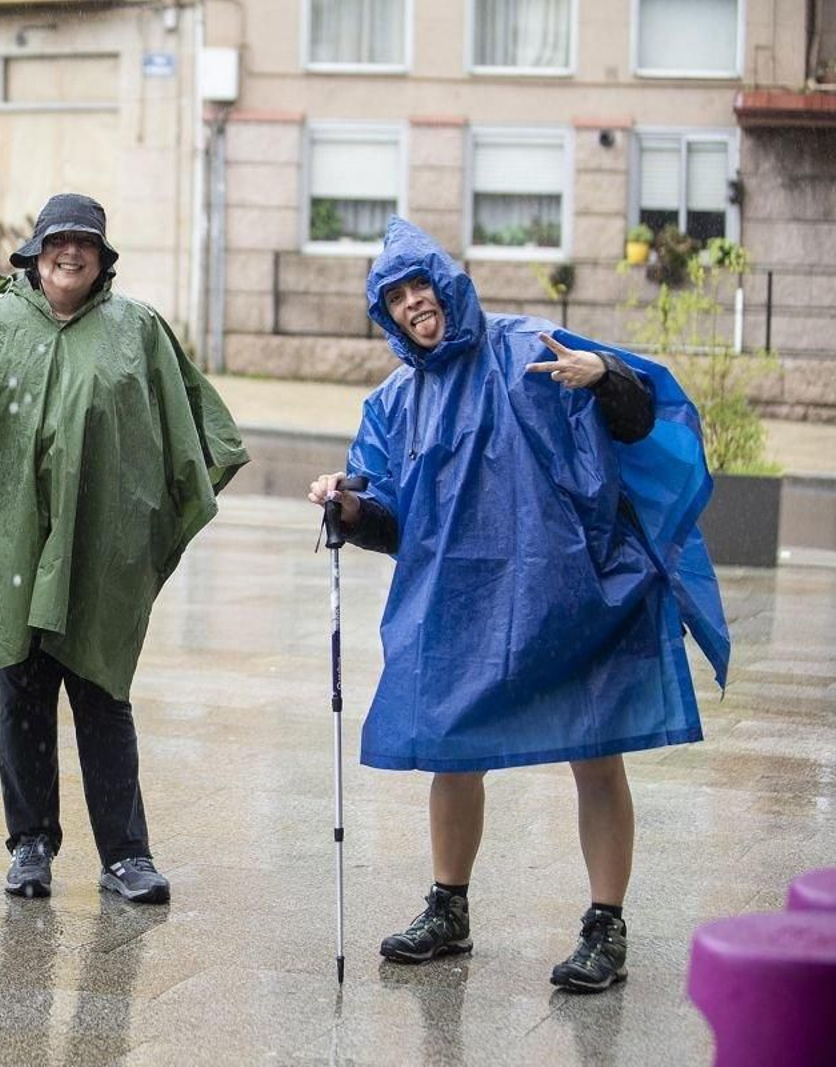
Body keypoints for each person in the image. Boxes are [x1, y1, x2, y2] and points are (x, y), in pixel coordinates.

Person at [309, 217, 729, 992]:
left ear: (447, 283)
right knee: (449, 747)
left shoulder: (532, 349)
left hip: (569, 592)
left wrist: (605, 377)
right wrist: (346, 507)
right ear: (386, 314)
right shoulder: (396, 403)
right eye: (395, 298)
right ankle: (449, 907)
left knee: (594, 749)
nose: (412, 305)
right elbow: (387, 515)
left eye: (419, 287)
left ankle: (606, 924)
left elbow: (639, 417)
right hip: (461, 603)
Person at [0, 193, 249, 905]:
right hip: (9, 541)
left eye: (85, 242)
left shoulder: (135, 330)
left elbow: (191, 429)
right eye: (58, 240)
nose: (70, 253)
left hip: (97, 549)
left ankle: (127, 853)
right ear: (34, 251)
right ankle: (30, 844)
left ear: (103, 257)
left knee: (103, 690)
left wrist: (145, 522)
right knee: (21, 691)